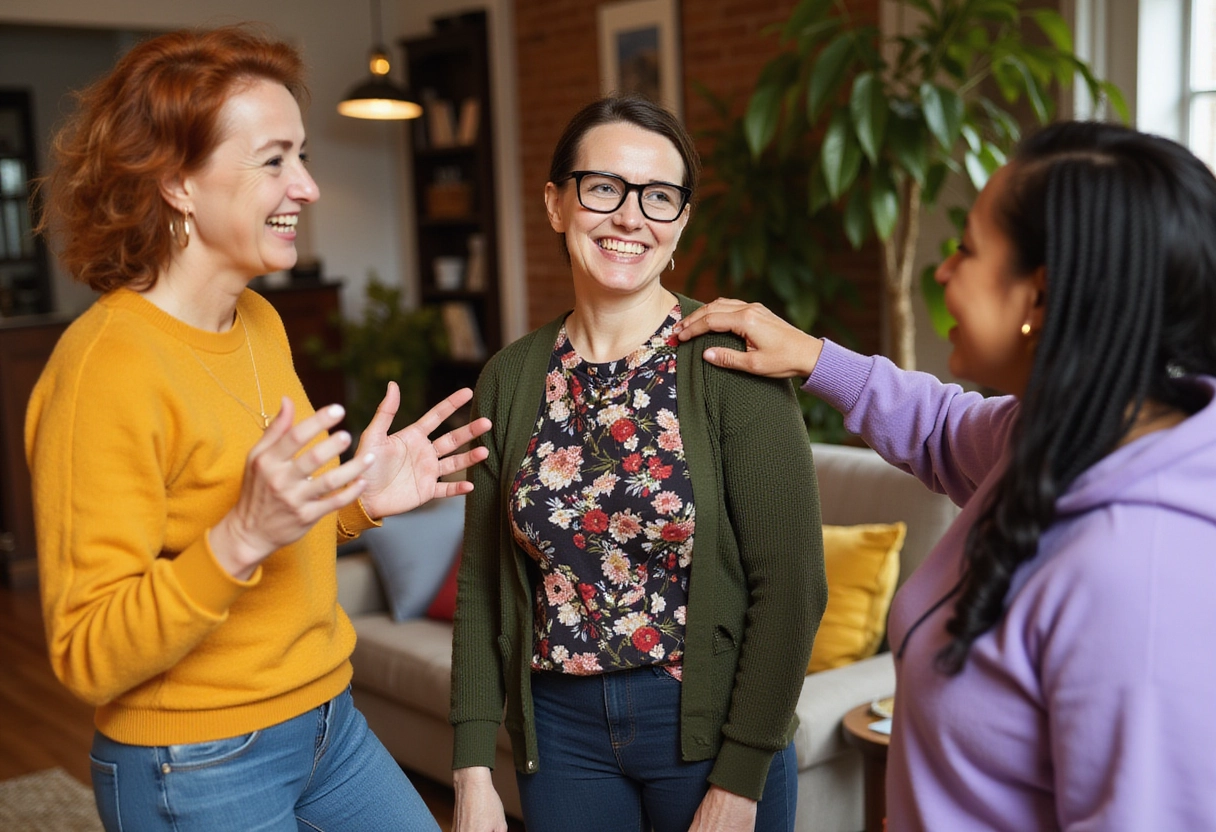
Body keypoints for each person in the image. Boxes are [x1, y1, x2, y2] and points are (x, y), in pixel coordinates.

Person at [674, 121, 1216, 829]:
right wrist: (813, 357)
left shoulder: (1135, 574)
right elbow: (940, 427)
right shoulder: (1056, 437)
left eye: (966, 249)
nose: (942, 270)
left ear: (1040, 296)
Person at [27, 26, 490, 832]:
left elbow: (280, 523)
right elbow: (88, 650)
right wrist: (238, 538)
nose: (307, 187)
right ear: (176, 181)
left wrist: (357, 499)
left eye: (302, 156)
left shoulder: (259, 321)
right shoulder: (102, 368)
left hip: (325, 722)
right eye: (274, 160)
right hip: (195, 758)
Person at [449, 95, 826, 832]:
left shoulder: (731, 365)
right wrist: (470, 769)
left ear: (681, 221)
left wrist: (741, 778)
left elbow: (792, 588)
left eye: (658, 197)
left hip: (706, 728)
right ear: (556, 203)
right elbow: (481, 585)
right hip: (559, 737)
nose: (630, 217)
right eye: (603, 188)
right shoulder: (510, 376)